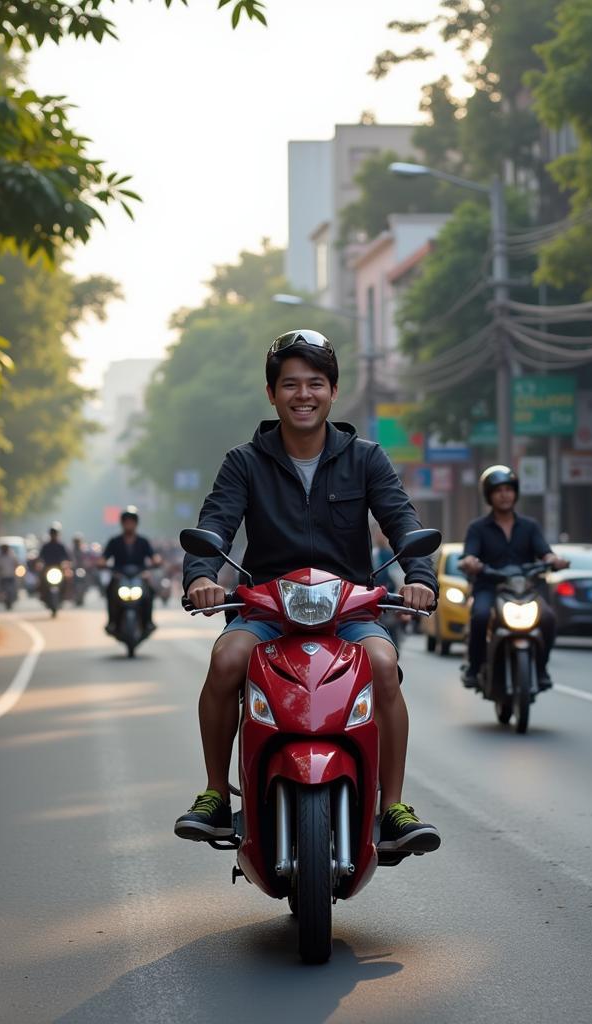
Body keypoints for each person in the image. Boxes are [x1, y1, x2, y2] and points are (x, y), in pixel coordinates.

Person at [175, 328, 441, 855]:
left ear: (333, 392)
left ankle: (393, 806)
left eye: (315, 383)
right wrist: (201, 575)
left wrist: (420, 579)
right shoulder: (243, 462)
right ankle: (213, 792)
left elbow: (402, 521)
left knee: (384, 665)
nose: (303, 395)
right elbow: (216, 522)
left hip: (348, 609)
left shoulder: (367, 458)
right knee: (227, 658)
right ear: (271, 394)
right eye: (290, 384)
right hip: (268, 608)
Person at [458, 466, 568, 691]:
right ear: (489, 495)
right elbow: (469, 554)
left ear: (516, 493)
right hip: (490, 587)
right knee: (479, 616)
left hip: (524, 589)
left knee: (548, 618)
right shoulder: (477, 528)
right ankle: (474, 667)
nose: (504, 494)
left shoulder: (529, 526)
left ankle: (541, 668)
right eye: (498, 490)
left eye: (509, 489)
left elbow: (544, 552)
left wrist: (554, 559)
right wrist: (469, 561)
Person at [101, 507, 161, 636]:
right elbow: (103, 558)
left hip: (140, 576)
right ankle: (111, 622)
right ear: (122, 523)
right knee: (109, 590)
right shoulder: (114, 541)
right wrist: (101, 563)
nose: (129, 524)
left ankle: (148, 621)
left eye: (132, 521)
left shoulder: (143, 541)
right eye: (126, 521)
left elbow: (154, 557)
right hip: (119, 576)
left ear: (136, 523)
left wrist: (156, 562)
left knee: (150, 590)